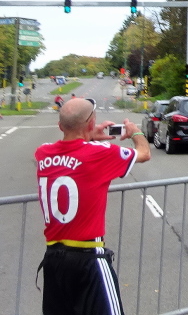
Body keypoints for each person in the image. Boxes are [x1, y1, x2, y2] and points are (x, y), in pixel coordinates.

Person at [34, 97, 151, 315]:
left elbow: (68, 147)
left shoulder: (43, 153)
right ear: (91, 123)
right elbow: (144, 154)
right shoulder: (99, 153)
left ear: (60, 126)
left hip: (53, 260)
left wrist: (88, 134)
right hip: (88, 258)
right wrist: (136, 132)